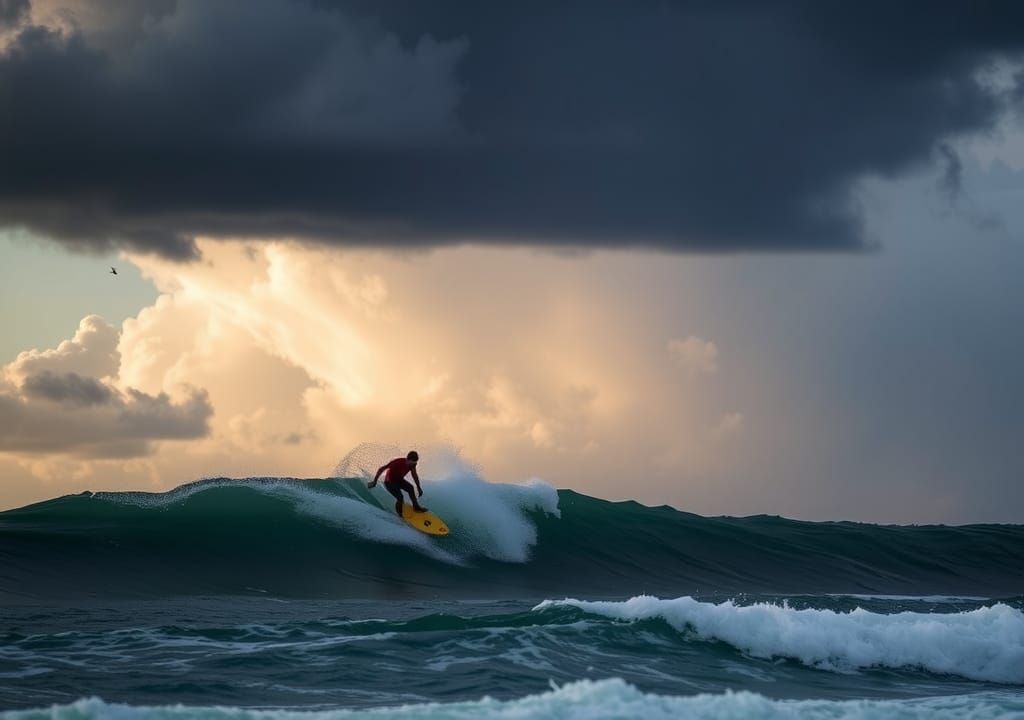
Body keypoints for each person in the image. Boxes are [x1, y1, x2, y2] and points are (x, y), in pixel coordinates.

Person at [368, 450, 427, 517]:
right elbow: (381, 469)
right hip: (389, 482)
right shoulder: (397, 462)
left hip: (399, 480)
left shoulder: (412, 465)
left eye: (415, 462)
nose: (414, 464)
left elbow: (415, 476)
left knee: (410, 488)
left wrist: (419, 487)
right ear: (408, 459)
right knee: (400, 498)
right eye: (413, 462)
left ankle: (416, 507)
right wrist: (375, 481)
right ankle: (400, 515)